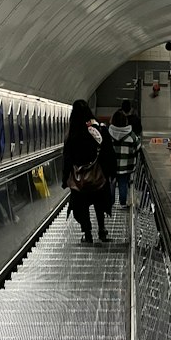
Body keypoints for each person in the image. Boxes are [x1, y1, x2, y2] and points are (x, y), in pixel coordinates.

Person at [61, 99, 116, 244]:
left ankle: (88, 234)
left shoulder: (72, 134)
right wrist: (110, 172)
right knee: (100, 204)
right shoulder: (99, 130)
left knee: (81, 207)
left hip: (79, 180)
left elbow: (67, 158)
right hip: (98, 176)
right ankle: (102, 231)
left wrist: (65, 178)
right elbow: (108, 152)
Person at [108, 109, 140, 208]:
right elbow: (138, 147)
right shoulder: (131, 135)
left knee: (111, 183)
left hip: (111, 165)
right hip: (126, 166)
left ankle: (111, 202)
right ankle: (122, 203)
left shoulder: (108, 134)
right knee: (123, 184)